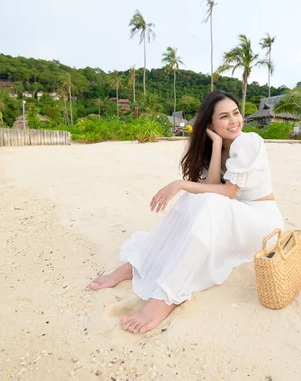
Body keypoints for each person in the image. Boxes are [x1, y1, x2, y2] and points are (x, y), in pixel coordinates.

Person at [89, 90, 284, 333]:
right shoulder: (219, 146)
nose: (234, 121)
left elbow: (227, 192)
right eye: (224, 116)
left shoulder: (249, 141)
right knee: (197, 199)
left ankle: (165, 297)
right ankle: (137, 265)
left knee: (204, 199)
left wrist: (179, 184)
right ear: (211, 124)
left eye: (236, 113)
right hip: (237, 213)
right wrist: (215, 146)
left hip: (261, 221)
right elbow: (211, 186)